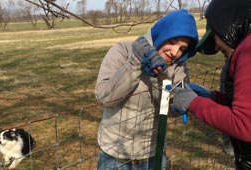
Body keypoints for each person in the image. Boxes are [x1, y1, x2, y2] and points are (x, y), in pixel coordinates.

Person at [94, 10, 198, 170]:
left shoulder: (177, 67)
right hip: (114, 155)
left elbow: (172, 110)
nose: (174, 52)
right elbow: (104, 98)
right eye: (172, 41)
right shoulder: (123, 51)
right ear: (162, 33)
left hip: (153, 155)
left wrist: (182, 99)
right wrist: (135, 63)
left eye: (182, 49)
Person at [171, 0, 251, 169]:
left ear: (228, 25)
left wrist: (194, 103)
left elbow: (244, 124)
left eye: (214, 37)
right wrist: (213, 97)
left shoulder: (248, 50)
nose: (215, 46)